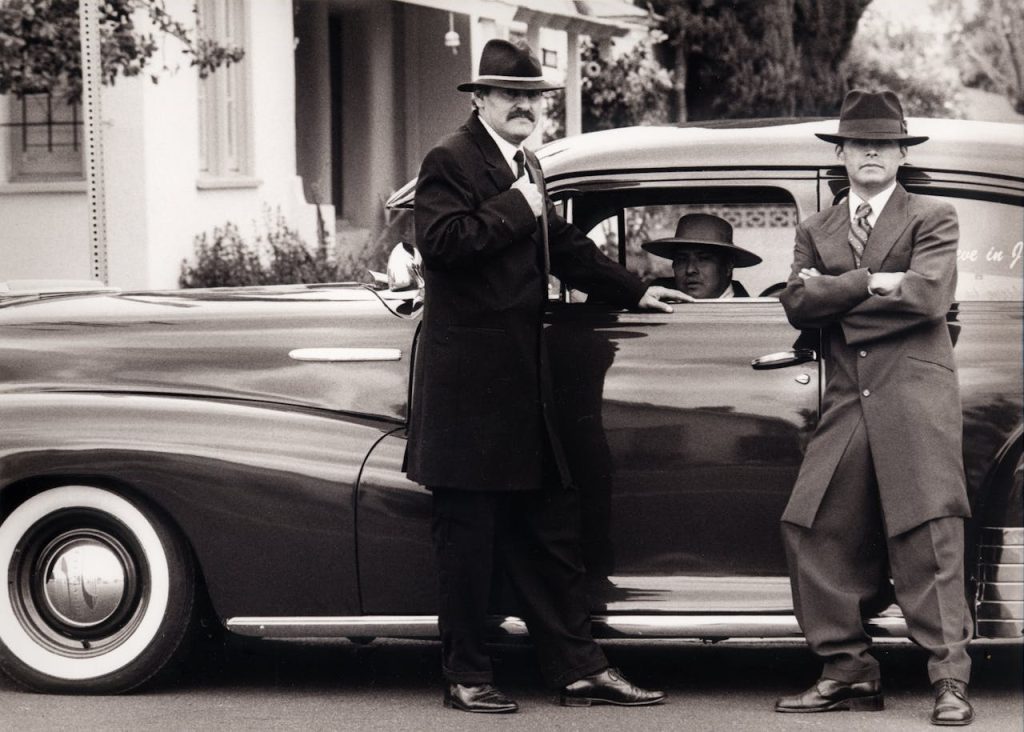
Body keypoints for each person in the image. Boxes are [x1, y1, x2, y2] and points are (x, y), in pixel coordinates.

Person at [405, 39, 683, 714]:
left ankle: (578, 669)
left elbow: (562, 244)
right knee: (468, 541)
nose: (525, 106)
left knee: (552, 532)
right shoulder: (450, 158)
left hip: (522, 391)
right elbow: (439, 244)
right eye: (511, 94)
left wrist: (633, 289)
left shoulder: (525, 164)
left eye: (533, 96)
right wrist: (517, 207)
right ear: (480, 99)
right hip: (469, 393)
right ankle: (466, 677)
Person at [775, 90, 974, 726]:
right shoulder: (816, 228)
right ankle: (848, 670)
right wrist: (870, 281)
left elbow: (928, 298)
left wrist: (835, 294)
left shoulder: (933, 215)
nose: (870, 152)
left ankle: (949, 680)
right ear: (840, 153)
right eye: (859, 143)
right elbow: (797, 305)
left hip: (913, 392)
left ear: (900, 155)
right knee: (811, 525)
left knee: (928, 531)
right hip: (848, 396)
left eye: (884, 144)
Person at [642, 213, 761, 298]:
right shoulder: (652, 300)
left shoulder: (751, 317)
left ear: (728, 265)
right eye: (682, 260)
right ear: (673, 265)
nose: (690, 270)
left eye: (703, 259)